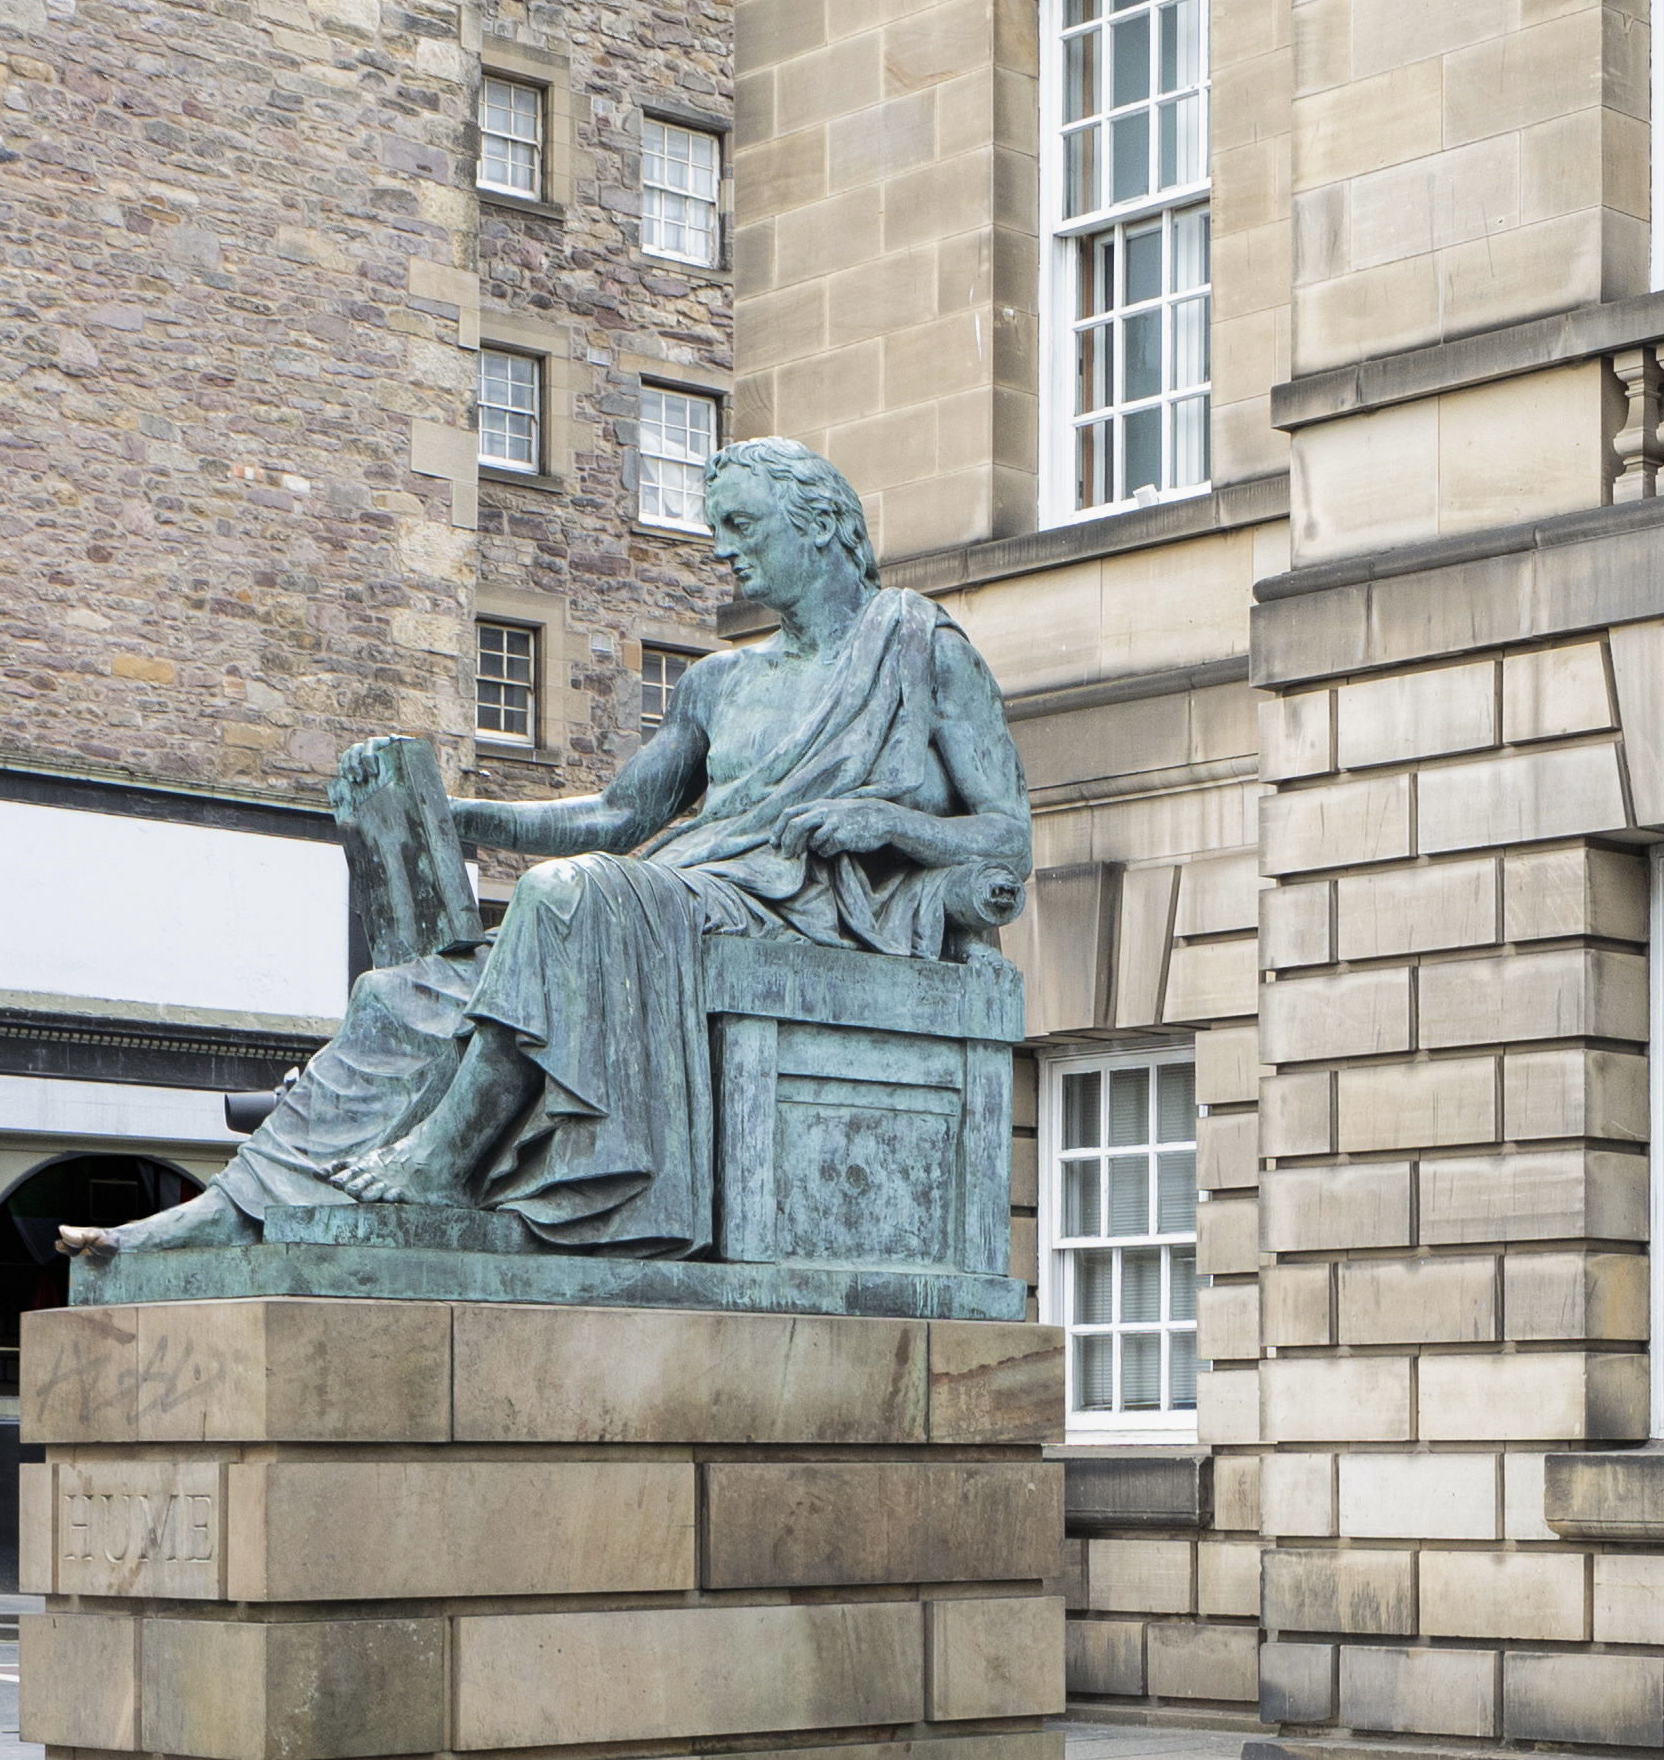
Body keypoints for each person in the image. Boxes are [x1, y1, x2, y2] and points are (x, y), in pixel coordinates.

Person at [72, 439, 1031, 1262]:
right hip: (683, 893)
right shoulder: (720, 684)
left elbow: (1006, 840)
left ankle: (445, 1162)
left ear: (820, 524)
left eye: (741, 527)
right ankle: (240, 1209)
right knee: (408, 991)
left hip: (801, 912)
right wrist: (454, 816)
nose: (722, 551)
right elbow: (614, 817)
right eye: (717, 531)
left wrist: (891, 826)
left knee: (573, 898)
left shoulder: (917, 647)